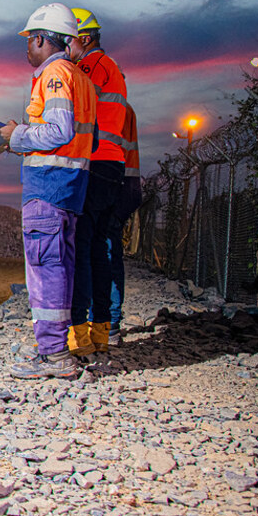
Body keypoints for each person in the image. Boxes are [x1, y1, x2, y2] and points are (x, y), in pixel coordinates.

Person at [0, 3, 98, 379]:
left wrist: (16, 136)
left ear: (41, 39)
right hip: (71, 189)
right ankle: (58, 347)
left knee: (45, 269)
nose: (27, 47)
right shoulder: (79, 77)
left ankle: (54, 354)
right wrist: (21, 136)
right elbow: (88, 135)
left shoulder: (53, 74)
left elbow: (59, 131)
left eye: (29, 40)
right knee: (62, 266)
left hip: (48, 187)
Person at [64, 7, 127, 358]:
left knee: (82, 249)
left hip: (94, 163)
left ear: (83, 38)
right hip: (112, 165)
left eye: (67, 38)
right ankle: (102, 329)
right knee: (100, 250)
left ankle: (79, 336)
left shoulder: (89, 68)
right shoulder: (113, 68)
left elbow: (73, 113)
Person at [106, 104, 142, 346]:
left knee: (104, 253)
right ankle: (109, 322)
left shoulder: (109, 105)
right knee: (108, 252)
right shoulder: (126, 107)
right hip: (124, 184)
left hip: (112, 183)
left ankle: (107, 324)